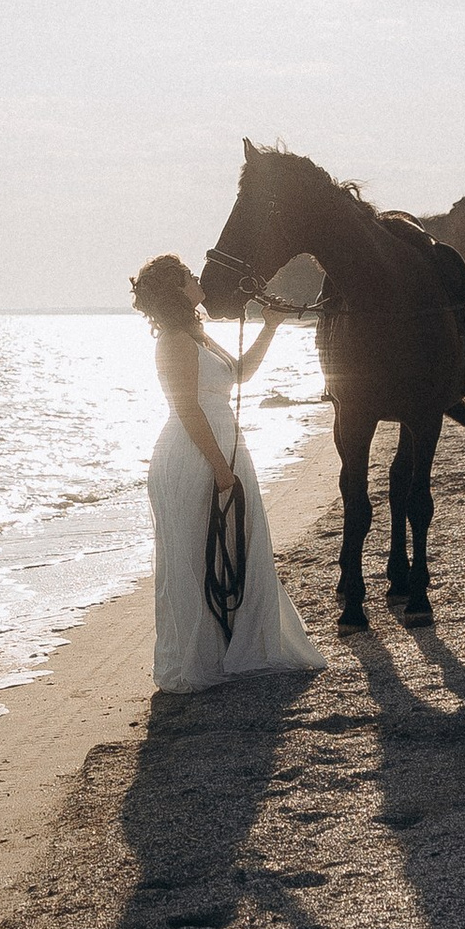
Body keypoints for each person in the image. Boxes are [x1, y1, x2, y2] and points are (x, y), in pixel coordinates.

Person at [131, 254, 326, 694]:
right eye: (188, 275)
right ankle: (200, 658)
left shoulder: (197, 335)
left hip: (223, 447)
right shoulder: (174, 341)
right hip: (194, 453)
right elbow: (188, 408)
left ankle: (234, 647)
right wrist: (220, 467)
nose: (197, 278)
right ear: (175, 290)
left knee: (237, 544)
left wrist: (270, 326)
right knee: (196, 554)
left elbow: (240, 374)